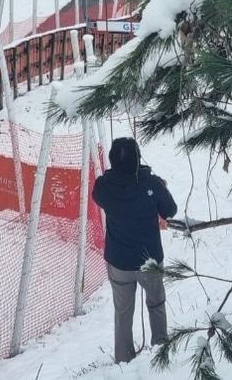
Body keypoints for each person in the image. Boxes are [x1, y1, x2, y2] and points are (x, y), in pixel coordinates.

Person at [92, 136, 178, 364]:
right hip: (150, 260)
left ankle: (123, 361)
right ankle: (161, 351)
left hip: (119, 262)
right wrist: (156, 184)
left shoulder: (104, 187)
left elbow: (100, 192)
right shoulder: (151, 183)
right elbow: (170, 210)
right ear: (138, 159)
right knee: (156, 305)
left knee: (123, 313)